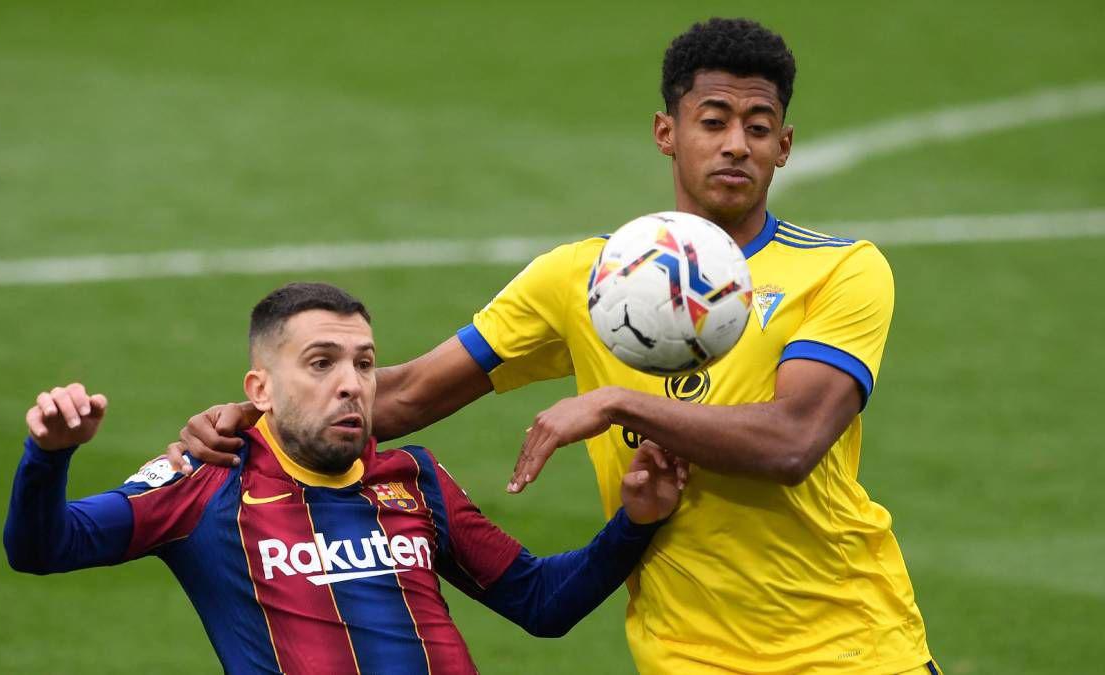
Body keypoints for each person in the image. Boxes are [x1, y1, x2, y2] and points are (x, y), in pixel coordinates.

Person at [173, 18, 940, 674]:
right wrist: (255, 420)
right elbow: (402, 396)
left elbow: (793, 439)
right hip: (685, 656)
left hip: (851, 645)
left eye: (759, 126)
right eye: (714, 120)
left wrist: (614, 400)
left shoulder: (840, 269)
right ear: (666, 132)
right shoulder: (587, 277)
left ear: (786, 146)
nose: (736, 144)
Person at [5, 282, 684, 674]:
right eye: (321, 362)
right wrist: (48, 455)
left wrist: (636, 522)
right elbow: (43, 547)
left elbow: (541, 603)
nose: (351, 384)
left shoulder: (412, 476)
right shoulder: (205, 479)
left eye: (363, 363)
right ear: (259, 387)